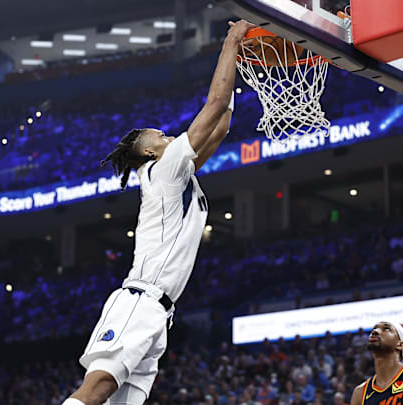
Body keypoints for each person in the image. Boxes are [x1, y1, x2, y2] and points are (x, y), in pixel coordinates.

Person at [62, 19, 255, 405]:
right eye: (161, 137)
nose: (170, 136)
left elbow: (221, 126)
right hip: (140, 299)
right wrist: (231, 41)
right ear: (149, 152)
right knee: (97, 387)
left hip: (159, 311)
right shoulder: (160, 170)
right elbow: (213, 106)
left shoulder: (177, 173)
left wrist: (238, 61)